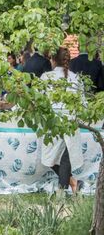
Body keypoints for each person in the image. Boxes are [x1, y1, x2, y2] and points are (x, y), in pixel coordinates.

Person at [40, 47, 84, 193]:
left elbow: (38, 100)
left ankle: (61, 193)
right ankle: (73, 182)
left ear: (52, 60)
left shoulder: (46, 77)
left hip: (53, 122)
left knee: (62, 158)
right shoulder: (76, 78)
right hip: (71, 121)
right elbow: (83, 104)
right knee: (53, 158)